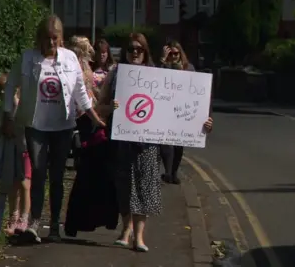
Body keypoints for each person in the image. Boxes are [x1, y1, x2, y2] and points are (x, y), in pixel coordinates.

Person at [2, 15, 106, 243]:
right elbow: (11, 85)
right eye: (46, 38)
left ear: (61, 38)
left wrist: (95, 118)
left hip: (62, 126)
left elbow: (80, 93)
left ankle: (55, 226)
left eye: (55, 38)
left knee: (57, 177)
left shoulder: (70, 59)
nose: (50, 43)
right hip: (35, 125)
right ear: (39, 38)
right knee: (38, 173)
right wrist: (8, 115)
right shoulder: (28, 58)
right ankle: (35, 224)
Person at [98, 33, 161, 252]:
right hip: (122, 139)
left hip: (147, 143)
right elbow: (100, 106)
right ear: (125, 52)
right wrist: (111, 108)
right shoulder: (116, 73)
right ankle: (126, 230)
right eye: (131, 49)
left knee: (144, 187)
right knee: (123, 186)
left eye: (139, 49)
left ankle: (139, 237)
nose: (135, 53)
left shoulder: (157, 75)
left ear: (146, 52)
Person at [64, 36, 118, 238]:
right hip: (84, 123)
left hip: (92, 121)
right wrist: (95, 116)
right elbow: (83, 99)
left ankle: (90, 219)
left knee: (93, 172)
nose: (86, 52)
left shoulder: (86, 67)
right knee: (87, 172)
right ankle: (83, 220)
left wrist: (96, 115)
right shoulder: (75, 67)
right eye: (82, 48)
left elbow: (89, 98)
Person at [159, 40, 213, 184]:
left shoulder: (189, 68)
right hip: (165, 109)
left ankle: (174, 173)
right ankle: (168, 172)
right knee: (165, 144)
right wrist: (164, 61)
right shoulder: (163, 66)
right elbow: (155, 78)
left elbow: (197, 93)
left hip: (182, 112)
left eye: (176, 53)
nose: (174, 56)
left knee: (178, 144)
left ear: (180, 53)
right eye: (170, 53)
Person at [0, 73, 32, 235]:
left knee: (24, 184)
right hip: (10, 148)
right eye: (0, 90)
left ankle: (24, 219)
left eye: (4, 89)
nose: (2, 93)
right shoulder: (4, 107)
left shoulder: (23, 104)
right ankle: (12, 217)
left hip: (24, 147)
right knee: (12, 185)